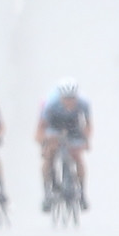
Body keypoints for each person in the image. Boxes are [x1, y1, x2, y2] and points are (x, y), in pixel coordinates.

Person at [36, 77, 91, 210]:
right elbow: (41, 128)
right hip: (54, 126)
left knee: (77, 156)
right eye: (66, 98)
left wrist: (86, 141)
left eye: (72, 98)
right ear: (61, 97)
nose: (69, 102)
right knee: (49, 155)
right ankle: (47, 194)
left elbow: (88, 125)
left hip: (74, 126)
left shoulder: (84, 103)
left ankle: (83, 193)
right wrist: (43, 143)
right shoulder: (50, 104)